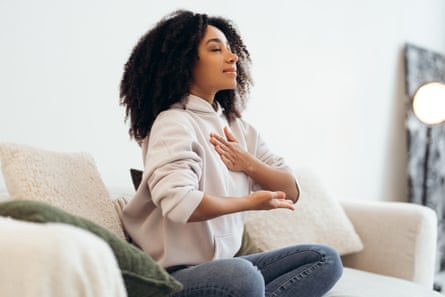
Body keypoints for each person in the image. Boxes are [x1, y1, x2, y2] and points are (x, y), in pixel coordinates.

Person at [120, 10, 343, 297]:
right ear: (184, 61)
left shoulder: (239, 129)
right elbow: (179, 205)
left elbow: (291, 189)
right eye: (216, 49)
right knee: (242, 277)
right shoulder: (173, 122)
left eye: (230, 49)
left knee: (324, 259)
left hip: (226, 269)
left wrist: (249, 164)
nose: (232, 57)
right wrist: (247, 202)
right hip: (173, 278)